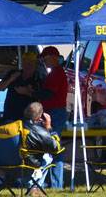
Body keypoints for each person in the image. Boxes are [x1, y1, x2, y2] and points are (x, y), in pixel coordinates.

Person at [38, 47, 68, 189]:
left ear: (53, 57)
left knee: (54, 147)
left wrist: (33, 92)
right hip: (55, 112)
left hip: (55, 113)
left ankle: (56, 184)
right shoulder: (55, 73)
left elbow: (49, 93)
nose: (44, 61)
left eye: (45, 58)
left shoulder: (56, 73)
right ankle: (53, 183)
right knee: (52, 147)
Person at [22, 102, 61, 193]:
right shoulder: (40, 132)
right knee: (48, 157)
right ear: (39, 117)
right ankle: (34, 186)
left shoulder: (16, 125)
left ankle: (33, 185)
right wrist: (49, 127)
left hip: (12, 162)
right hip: (30, 162)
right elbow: (56, 147)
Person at [0, 52, 43, 122]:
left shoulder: (38, 78)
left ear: (35, 64)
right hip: (10, 115)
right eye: (26, 62)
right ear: (22, 63)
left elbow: (42, 98)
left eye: (31, 63)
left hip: (28, 118)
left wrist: (27, 92)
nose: (28, 65)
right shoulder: (14, 73)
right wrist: (11, 79)